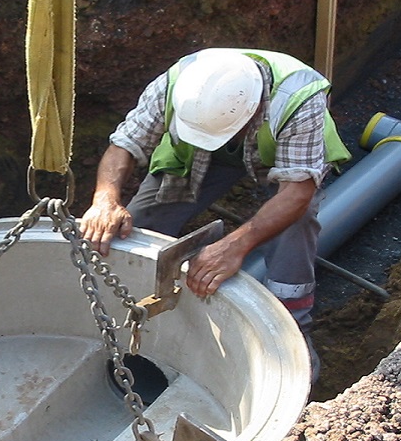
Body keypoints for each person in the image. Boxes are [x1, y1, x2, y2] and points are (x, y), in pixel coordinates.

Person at [79, 48, 350, 379]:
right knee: (135, 226)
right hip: (196, 156)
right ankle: (125, 314)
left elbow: (296, 191)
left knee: (298, 217)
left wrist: (234, 246)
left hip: (276, 153)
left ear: (251, 113)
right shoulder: (177, 85)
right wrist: (105, 198)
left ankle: (292, 333)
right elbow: (123, 145)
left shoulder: (299, 101)